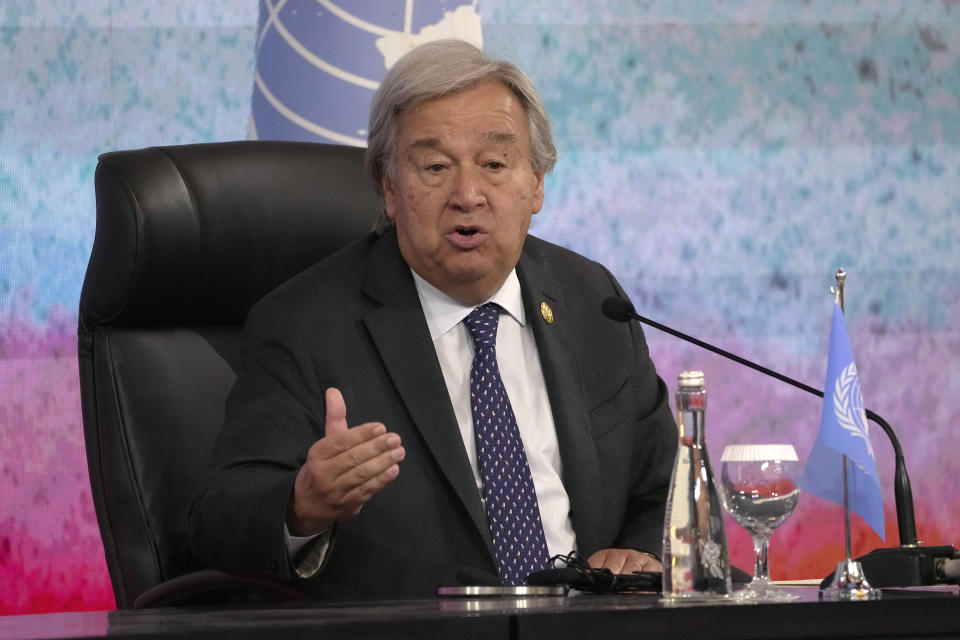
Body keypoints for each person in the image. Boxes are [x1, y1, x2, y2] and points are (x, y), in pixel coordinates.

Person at [189, 39, 676, 599]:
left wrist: (639, 555)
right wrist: (302, 505)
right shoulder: (304, 324)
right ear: (389, 187)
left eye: (495, 164)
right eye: (436, 167)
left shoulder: (592, 300)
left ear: (536, 183)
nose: (468, 194)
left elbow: (662, 490)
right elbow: (216, 515)